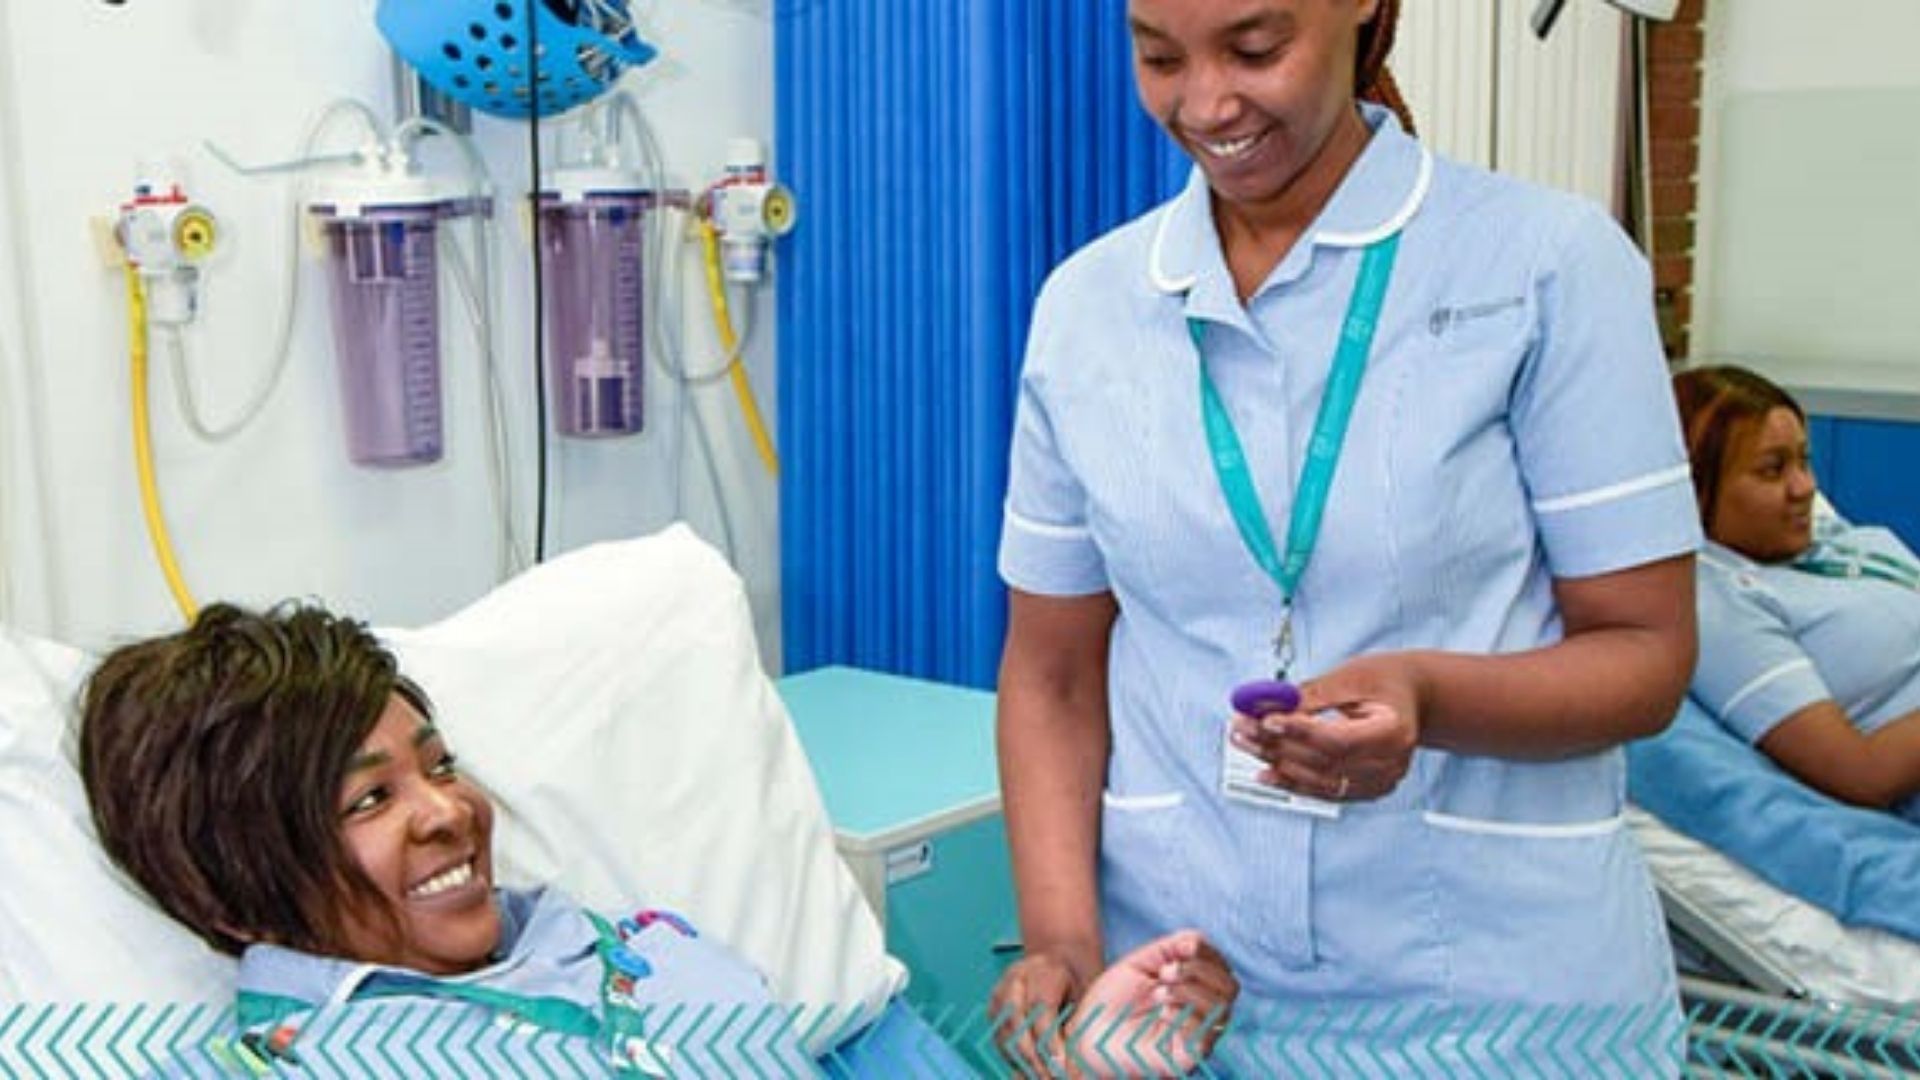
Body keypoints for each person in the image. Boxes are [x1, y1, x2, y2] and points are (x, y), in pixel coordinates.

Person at [991, 0, 1701, 1043]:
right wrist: (1060, 935)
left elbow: (1647, 653)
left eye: (1255, 48)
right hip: (1187, 988)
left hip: (1502, 1002)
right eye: (1158, 57)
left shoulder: (1545, 267)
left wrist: (1429, 695)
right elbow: (1051, 673)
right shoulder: (1087, 309)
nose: (1205, 103)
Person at [79, 602, 1239, 1076]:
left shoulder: (637, 943)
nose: (446, 810)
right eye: (367, 801)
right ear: (233, 895)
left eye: (436, 763)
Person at [1674, 364, 1920, 823]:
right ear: (1692, 488)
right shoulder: (1717, 602)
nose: (1804, 488)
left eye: (1804, 461)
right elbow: (1861, 775)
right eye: (1772, 470)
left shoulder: (1836, 543)